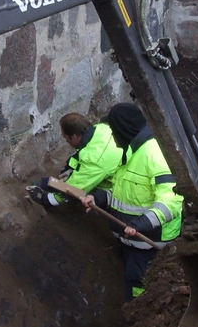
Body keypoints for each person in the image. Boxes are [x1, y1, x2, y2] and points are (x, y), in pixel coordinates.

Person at [82, 103, 183, 299]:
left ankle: (139, 323)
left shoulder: (154, 154)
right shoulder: (131, 152)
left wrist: (142, 224)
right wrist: (98, 198)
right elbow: (124, 193)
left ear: (122, 130)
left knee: (140, 289)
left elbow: (172, 200)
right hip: (131, 240)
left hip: (150, 245)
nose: (112, 136)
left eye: (113, 131)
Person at [28, 112, 122, 208]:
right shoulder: (101, 128)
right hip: (115, 167)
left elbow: (74, 189)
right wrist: (69, 169)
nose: (67, 142)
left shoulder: (95, 161)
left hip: (119, 190)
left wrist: (46, 199)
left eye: (67, 139)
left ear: (74, 136)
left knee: (81, 193)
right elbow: (83, 154)